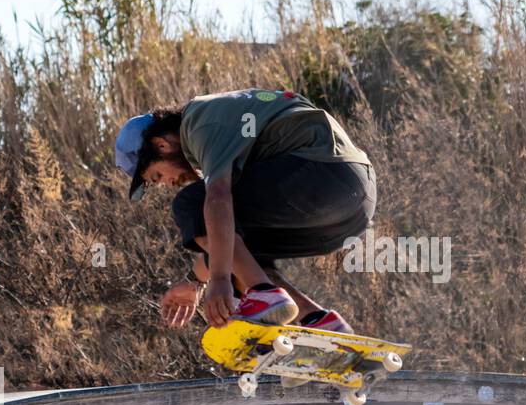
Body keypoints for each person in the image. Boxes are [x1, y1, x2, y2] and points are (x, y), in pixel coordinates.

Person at [115, 89, 374, 338]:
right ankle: (318, 321)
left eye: (158, 176)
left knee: (192, 203)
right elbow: (224, 243)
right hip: (352, 207)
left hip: (325, 174)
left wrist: (218, 280)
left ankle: (264, 293)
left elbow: (217, 198)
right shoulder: (220, 132)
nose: (169, 184)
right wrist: (194, 282)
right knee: (234, 246)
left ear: (161, 145)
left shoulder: (198, 122)